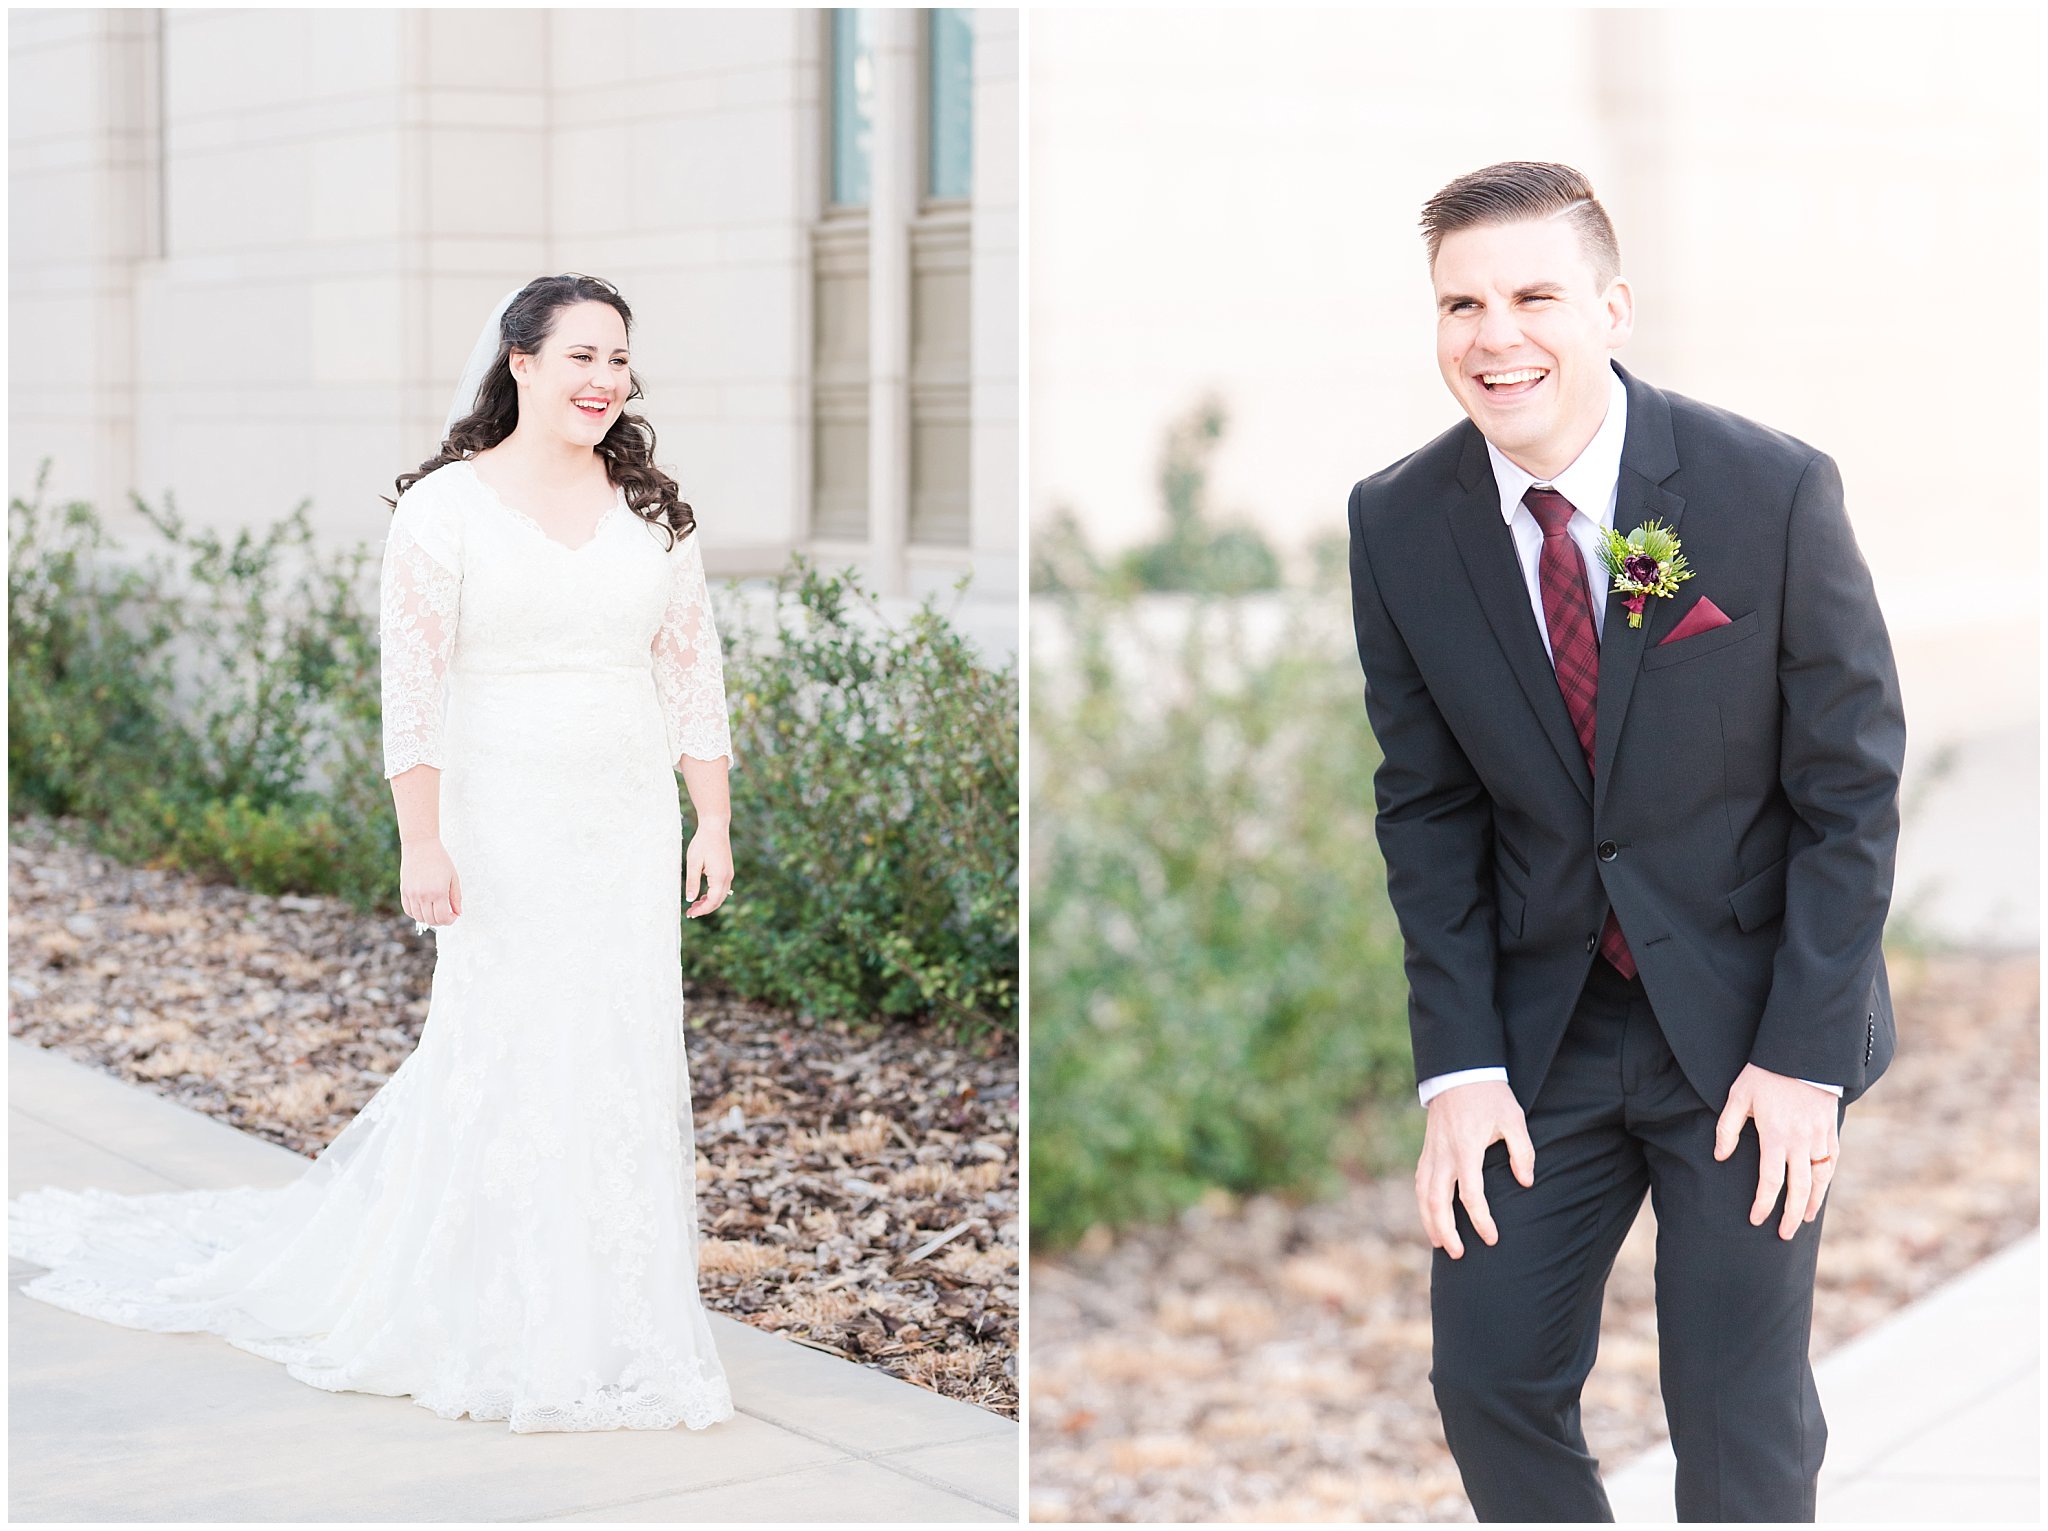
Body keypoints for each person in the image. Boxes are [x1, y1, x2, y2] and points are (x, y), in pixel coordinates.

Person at [9, 273, 739, 1434]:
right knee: (502, 1043)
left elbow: (689, 670)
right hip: (502, 813)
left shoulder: (652, 509)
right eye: (581, 356)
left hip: (622, 817)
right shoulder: (443, 509)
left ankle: (611, 1314)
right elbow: (414, 690)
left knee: (617, 1045)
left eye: (619, 360)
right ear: (521, 364)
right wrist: (422, 842)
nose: (605, 380)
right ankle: (492, 1310)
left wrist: (712, 819)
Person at [1345, 163, 1904, 1521]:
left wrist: (1803, 1058)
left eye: (1533, 294)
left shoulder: (1764, 490)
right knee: (1487, 1377)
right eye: (1460, 302)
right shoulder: (1397, 521)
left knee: (1734, 1406)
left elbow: (1850, 787)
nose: (1496, 335)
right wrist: (1458, 1069)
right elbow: (1426, 808)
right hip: (1539, 1030)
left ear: (1612, 304)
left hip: (1746, 1019)